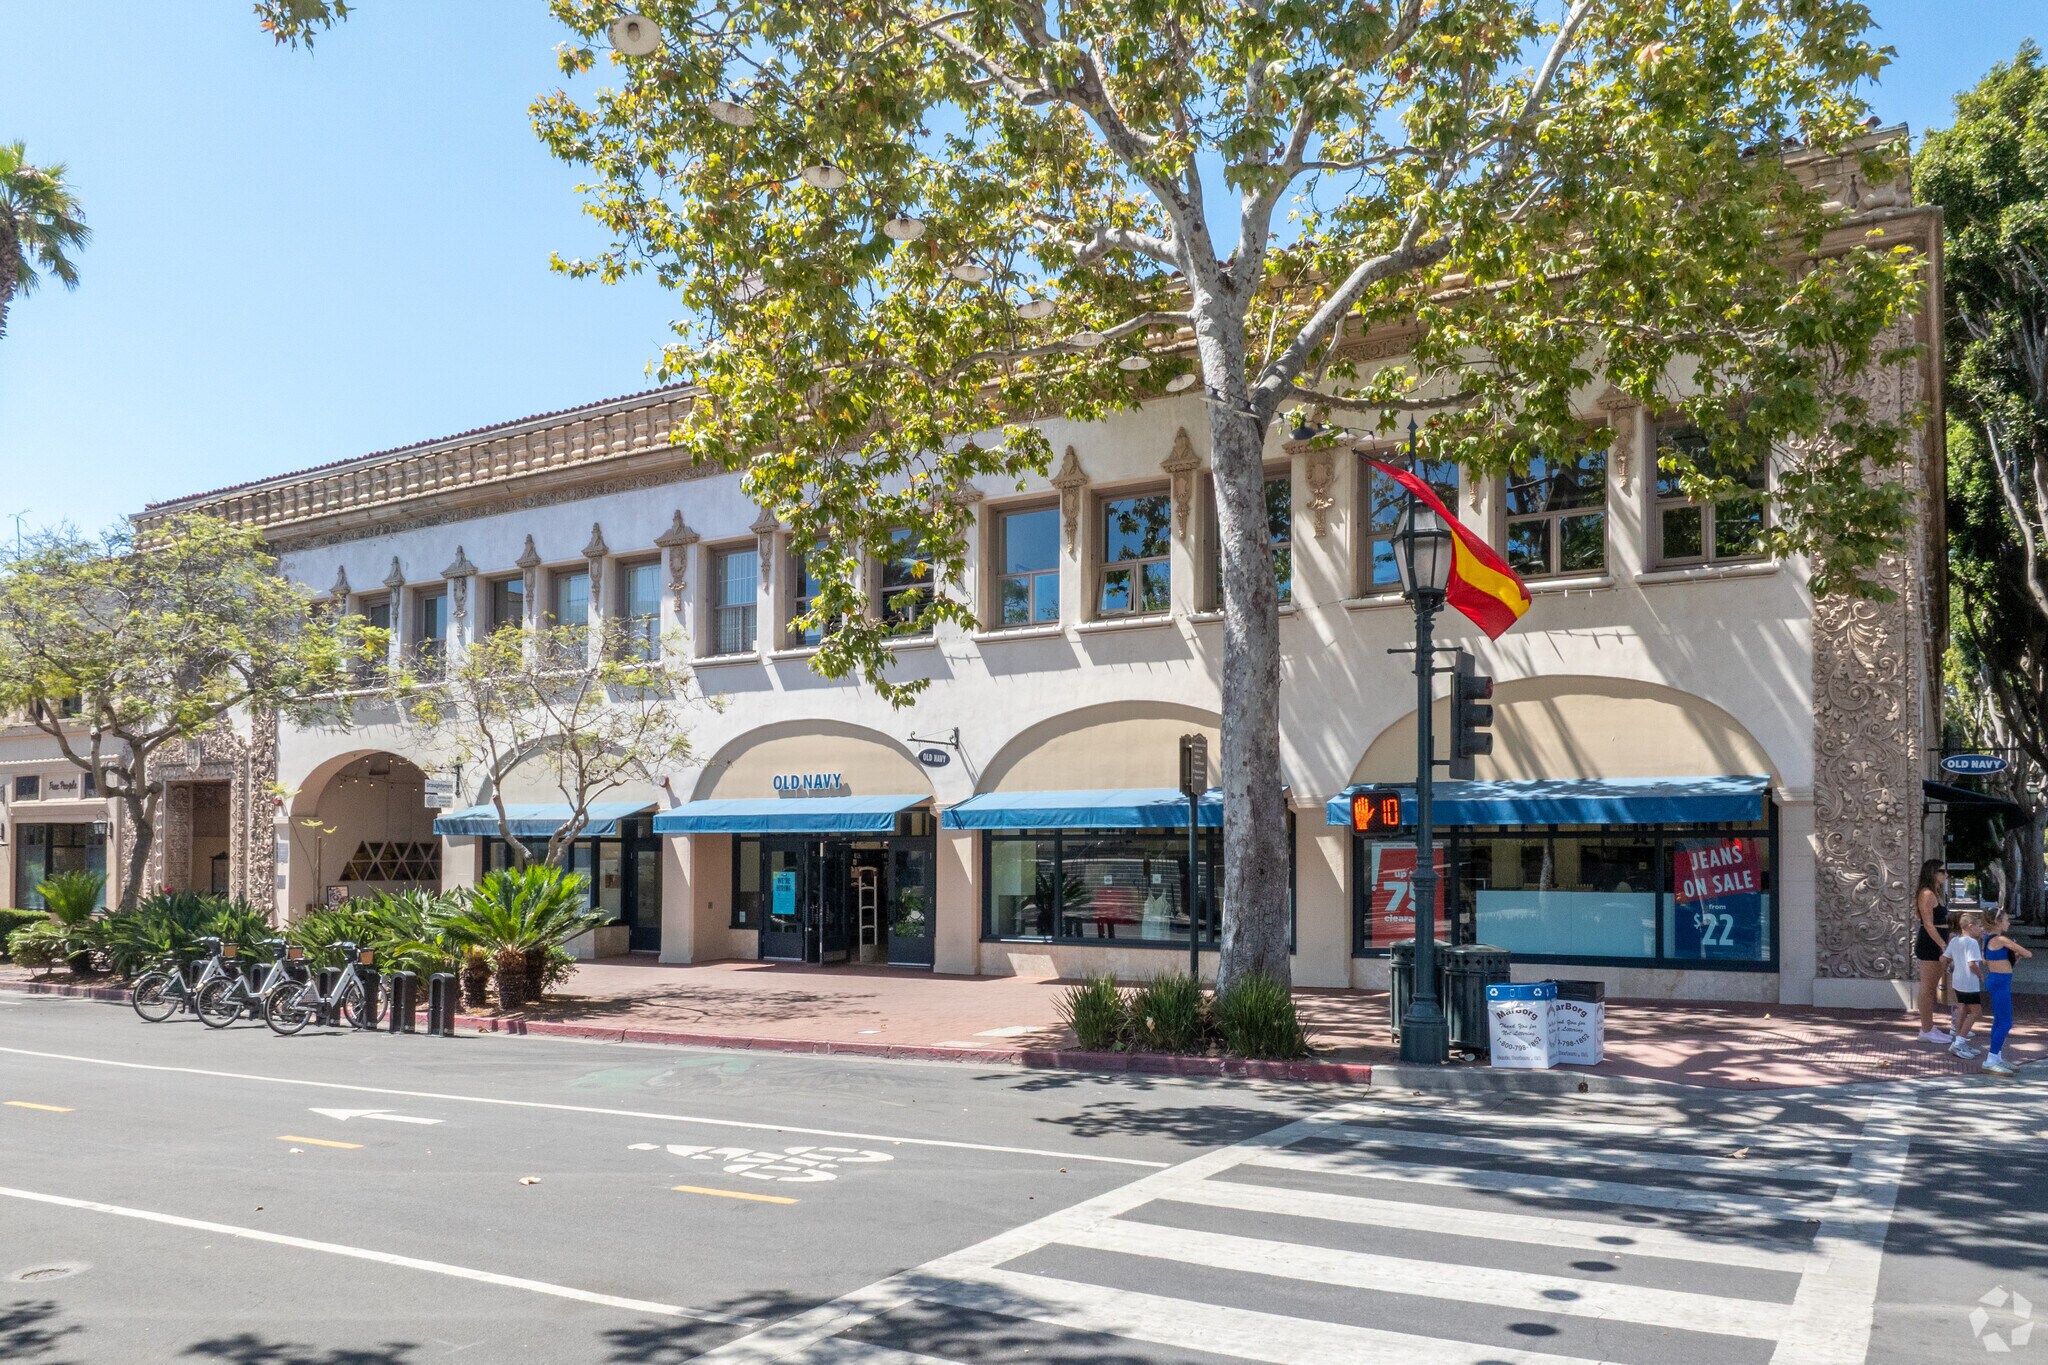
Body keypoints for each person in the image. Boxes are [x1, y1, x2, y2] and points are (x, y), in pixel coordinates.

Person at [1981, 906, 2033, 1077]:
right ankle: (1991, 1059)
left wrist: (2015, 957)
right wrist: (2016, 949)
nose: (2009, 922)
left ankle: (1997, 1057)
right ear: (1997, 922)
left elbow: (2006, 965)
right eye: (2006, 920)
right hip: (1999, 983)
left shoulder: (1989, 939)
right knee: (2005, 1023)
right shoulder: (2001, 939)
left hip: (1999, 980)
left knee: (1999, 1021)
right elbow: (2028, 953)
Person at [1912, 859, 1953, 1045]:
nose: (1946, 874)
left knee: (1932, 987)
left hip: (1938, 940)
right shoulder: (1927, 894)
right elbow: (1928, 924)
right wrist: (1942, 945)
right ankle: (1926, 1029)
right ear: (1932, 873)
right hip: (1931, 943)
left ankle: (1929, 1026)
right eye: (1942, 871)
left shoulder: (1936, 893)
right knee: (1927, 988)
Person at [1941, 910, 1986, 1060]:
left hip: (1957, 980)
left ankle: (1958, 1041)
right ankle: (1960, 1041)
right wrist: (1980, 974)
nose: (1980, 929)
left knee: (1963, 1008)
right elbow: (1972, 963)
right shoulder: (1972, 942)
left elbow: (1944, 958)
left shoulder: (1955, 941)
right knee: (1976, 1013)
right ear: (1970, 926)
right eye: (1978, 926)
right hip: (1969, 981)